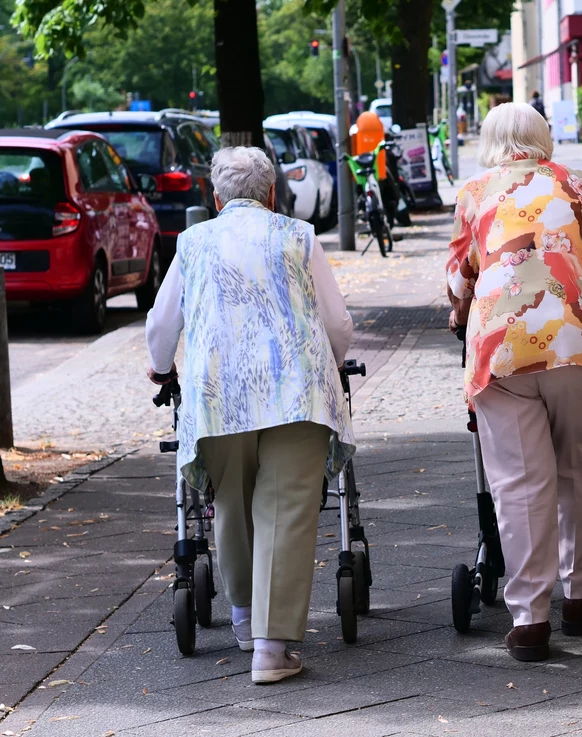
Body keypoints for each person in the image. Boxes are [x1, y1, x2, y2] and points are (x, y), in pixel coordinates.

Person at [145, 146, 354, 684]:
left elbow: (162, 324)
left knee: (232, 503)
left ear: (214, 198)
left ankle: (242, 620)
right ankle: (270, 648)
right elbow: (337, 321)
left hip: (218, 393)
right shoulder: (298, 236)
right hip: (296, 393)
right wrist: (330, 363)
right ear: (272, 193)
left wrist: (160, 366)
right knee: (285, 509)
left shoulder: (192, 242)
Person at [446, 102, 582, 662]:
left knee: (518, 481)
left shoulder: (475, 193)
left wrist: (460, 313)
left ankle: (530, 618)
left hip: (501, 351)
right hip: (578, 341)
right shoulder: (577, 185)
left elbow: (459, 283)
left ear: (489, 143)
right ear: (545, 139)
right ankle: (581, 598)